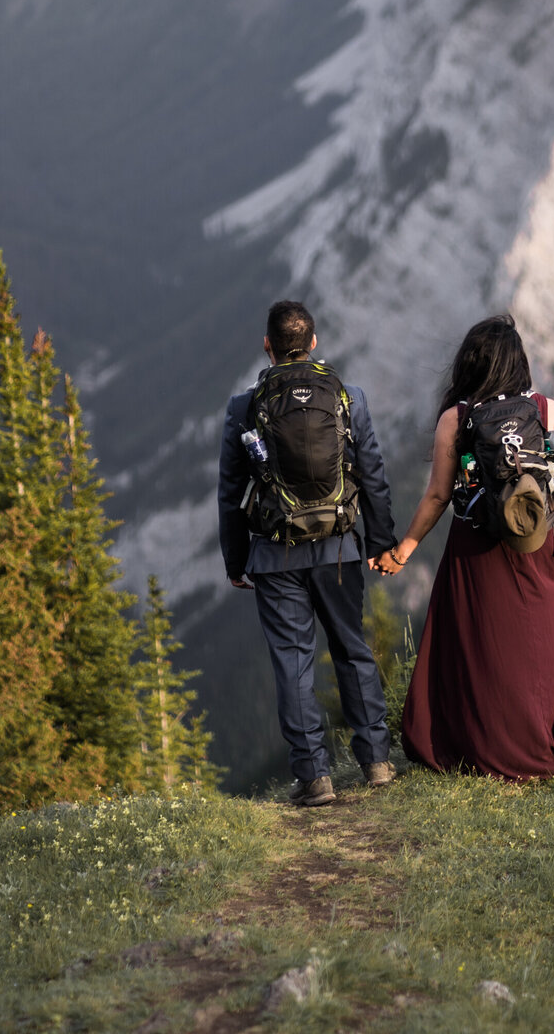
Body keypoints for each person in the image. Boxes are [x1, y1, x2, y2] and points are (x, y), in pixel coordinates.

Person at [377, 314, 554, 779]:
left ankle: (477, 748)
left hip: (480, 549)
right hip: (542, 544)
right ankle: (543, 748)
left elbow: (437, 496)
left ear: (471, 365)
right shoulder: (548, 410)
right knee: (539, 649)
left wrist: (403, 551)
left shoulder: (458, 418)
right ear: (520, 363)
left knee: (482, 649)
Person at [218, 299, 398, 806]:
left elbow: (230, 493)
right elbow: (375, 476)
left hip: (274, 557)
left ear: (268, 347)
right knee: (351, 649)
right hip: (339, 549)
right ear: (313, 343)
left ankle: (315, 778)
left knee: (293, 663)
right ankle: (377, 763)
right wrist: (380, 541)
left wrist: (236, 561)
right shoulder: (348, 396)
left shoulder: (243, 407)